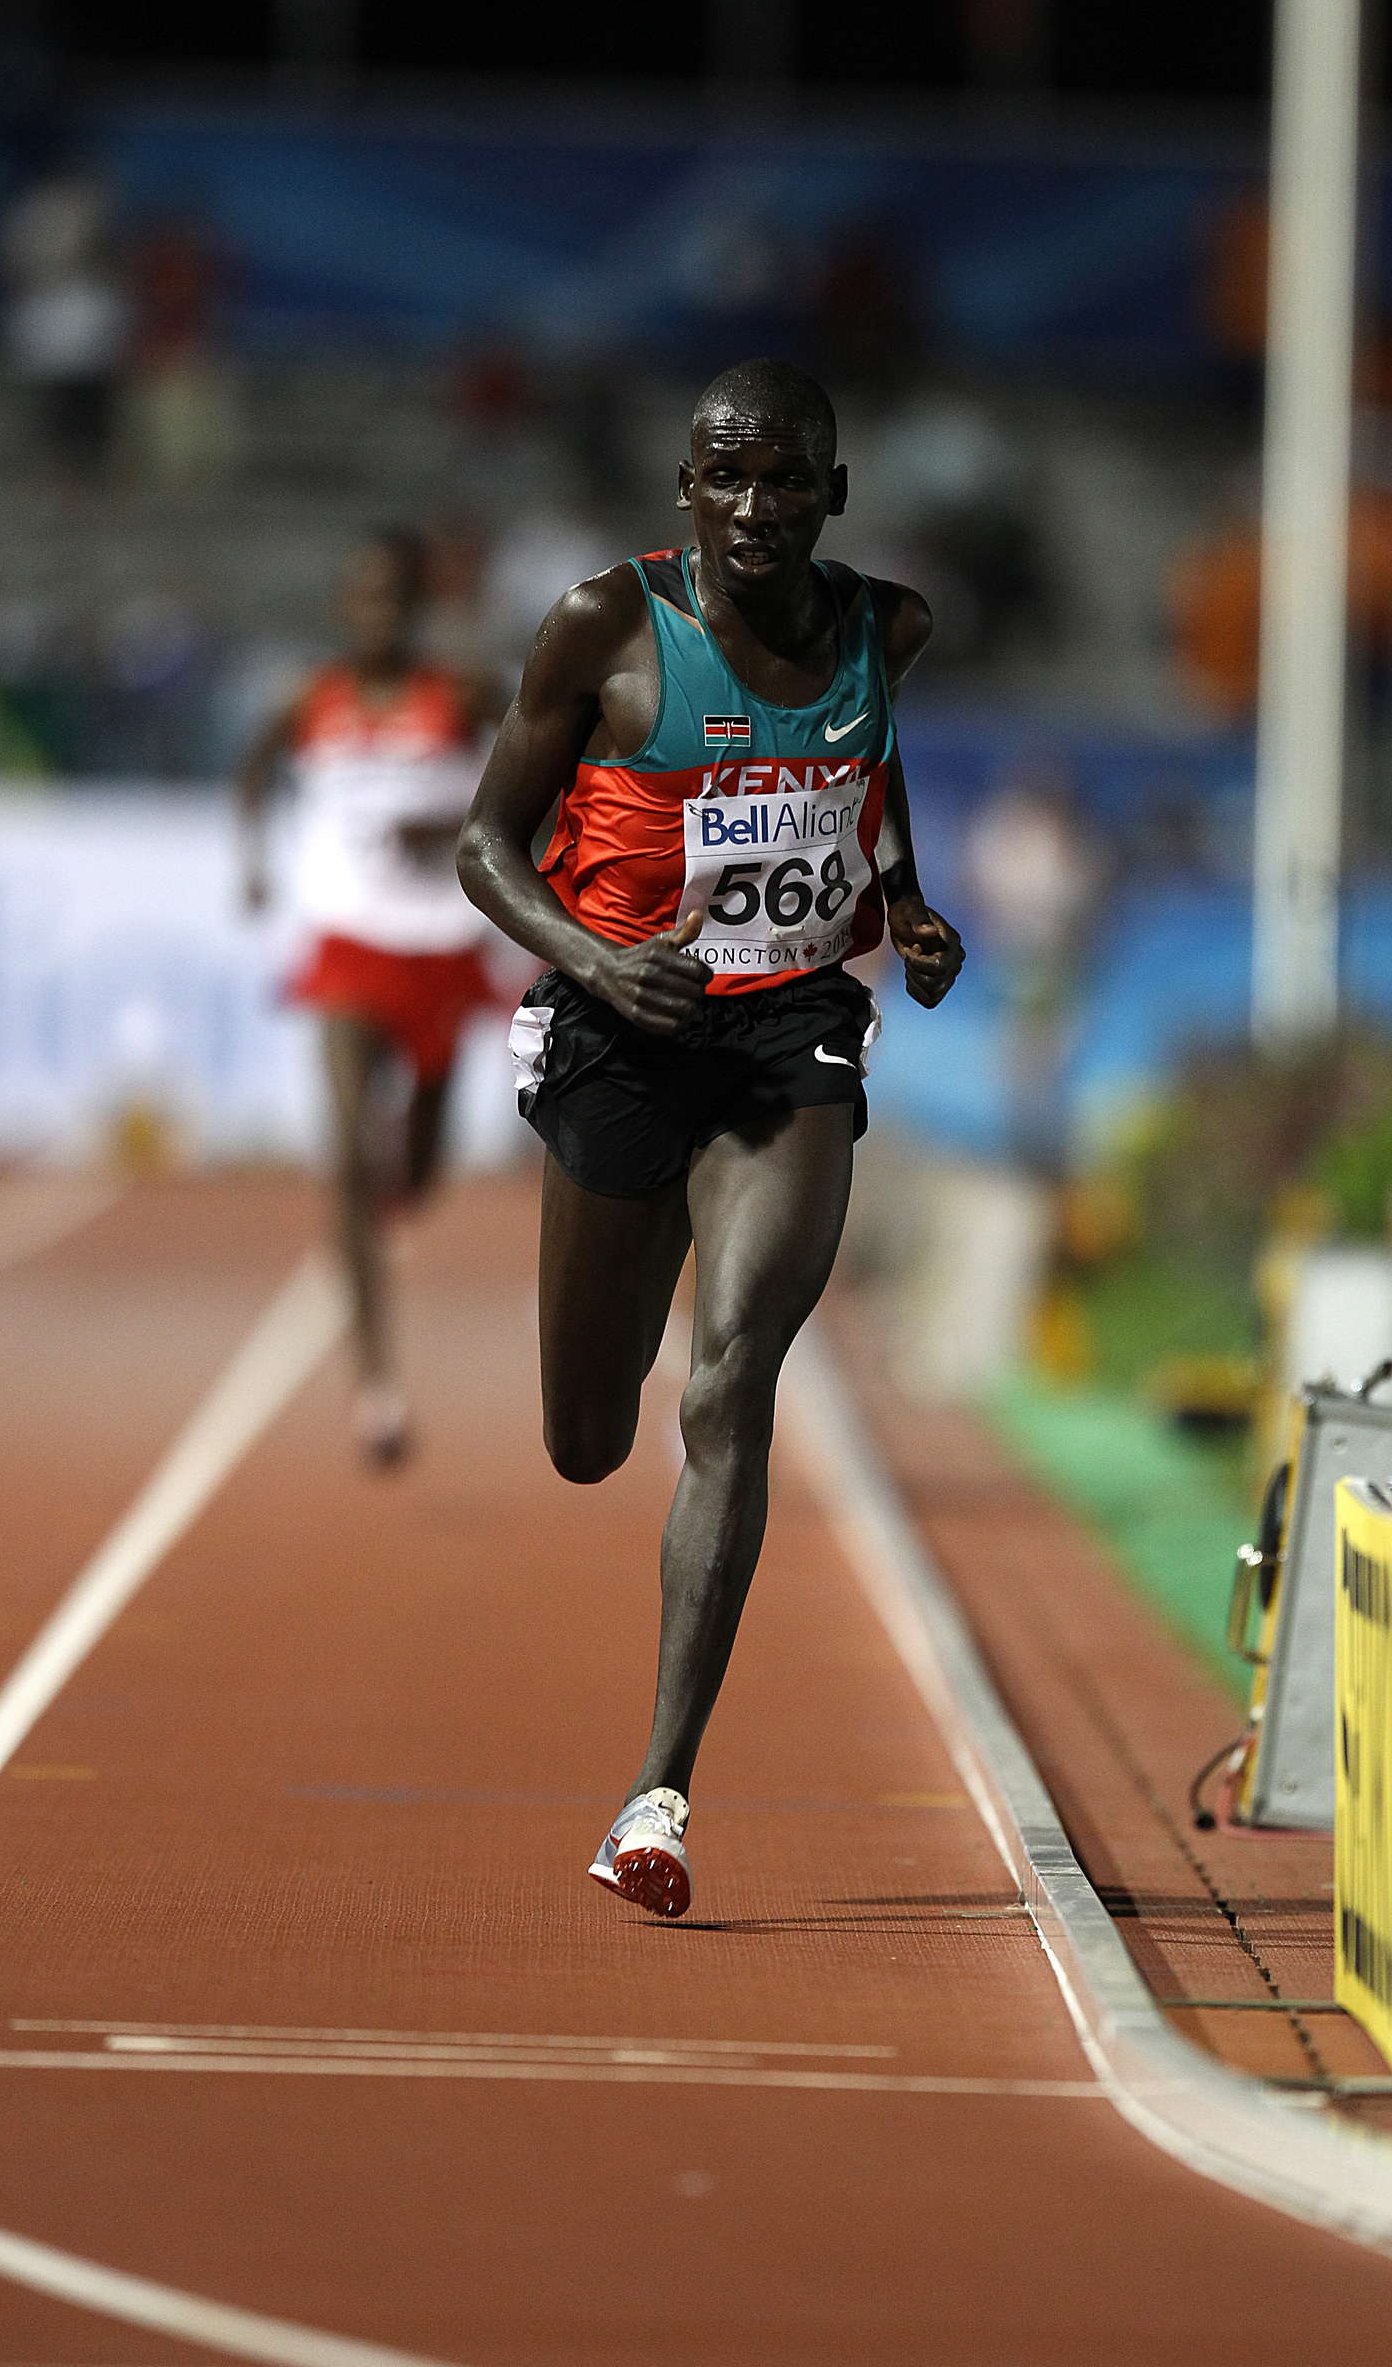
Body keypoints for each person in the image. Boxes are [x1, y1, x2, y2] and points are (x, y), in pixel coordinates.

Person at [457, 358, 965, 1918]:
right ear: (686, 487)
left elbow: (867, 760)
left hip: (786, 1031)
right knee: (588, 1437)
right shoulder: (604, 627)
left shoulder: (887, 626)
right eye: (727, 475)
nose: (757, 504)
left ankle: (658, 1794)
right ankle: (640, 1262)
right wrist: (599, 961)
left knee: (733, 1377)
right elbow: (483, 846)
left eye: (788, 476)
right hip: (625, 1029)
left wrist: (901, 899)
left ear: (835, 493)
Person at [238, 529, 499, 1464]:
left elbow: (547, 774)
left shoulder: (461, 693)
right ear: (348, 606)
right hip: (346, 946)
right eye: (365, 597)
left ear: (418, 607)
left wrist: (456, 826)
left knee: (416, 1174)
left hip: (440, 950)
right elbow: (251, 770)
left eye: (395, 598)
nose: (378, 614)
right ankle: (375, 1386)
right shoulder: (311, 697)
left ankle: (397, 1189)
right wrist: (254, 864)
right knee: (350, 1154)